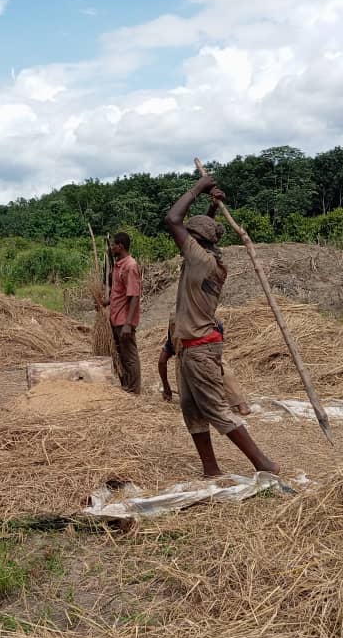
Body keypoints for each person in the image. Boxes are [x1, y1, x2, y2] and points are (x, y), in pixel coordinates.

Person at [164, 175, 278, 478]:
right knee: (192, 412)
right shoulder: (206, 259)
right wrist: (211, 207)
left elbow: (172, 218)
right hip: (191, 348)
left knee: (215, 410)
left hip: (200, 349)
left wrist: (198, 188)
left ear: (195, 241)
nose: (182, 237)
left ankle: (264, 465)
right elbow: (197, 230)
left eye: (189, 235)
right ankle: (211, 469)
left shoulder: (200, 261)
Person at [158, 313, 250, 416]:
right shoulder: (208, 314)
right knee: (219, 362)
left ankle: (195, 403)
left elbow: (162, 361)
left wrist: (166, 388)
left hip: (188, 348)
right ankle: (240, 403)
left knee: (182, 359)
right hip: (208, 337)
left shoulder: (178, 323)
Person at [103, 232, 142, 394]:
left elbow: (134, 295)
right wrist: (106, 302)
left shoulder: (130, 266)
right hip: (116, 318)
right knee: (121, 356)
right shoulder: (119, 265)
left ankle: (134, 390)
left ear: (120, 246)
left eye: (113, 245)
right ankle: (126, 387)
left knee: (130, 356)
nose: (111, 248)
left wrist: (127, 323)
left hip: (123, 320)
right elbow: (118, 292)